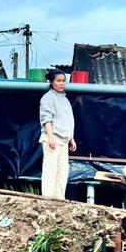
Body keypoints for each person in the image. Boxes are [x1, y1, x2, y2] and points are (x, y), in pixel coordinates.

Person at [39, 69, 76, 199]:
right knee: (50, 169)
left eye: (63, 81)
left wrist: (71, 138)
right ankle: (48, 197)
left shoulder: (64, 99)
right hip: (52, 138)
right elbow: (47, 119)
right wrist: (50, 137)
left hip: (64, 139)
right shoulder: (48, 98)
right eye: (58, 81)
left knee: (62, 170)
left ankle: (60, 197)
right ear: (52, 82)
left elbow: (67, 120)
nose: (61, 84)